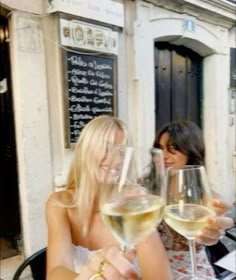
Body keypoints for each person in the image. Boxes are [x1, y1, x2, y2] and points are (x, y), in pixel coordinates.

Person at [45, 115, 173, 280]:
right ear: (85, 150)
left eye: (122, 152)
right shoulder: (60, 204)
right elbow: (56, 272)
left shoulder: (135, 204)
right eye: (107, 148)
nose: (117, 160)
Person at [153, 120, 234, 279]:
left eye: (173, 149)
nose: (164, 155)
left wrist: (215, 231)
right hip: (150, 266)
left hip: (190, 269)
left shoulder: (207, 197)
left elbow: (214, 226)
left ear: (190, 152)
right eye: (161, 148)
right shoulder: (144, 188)